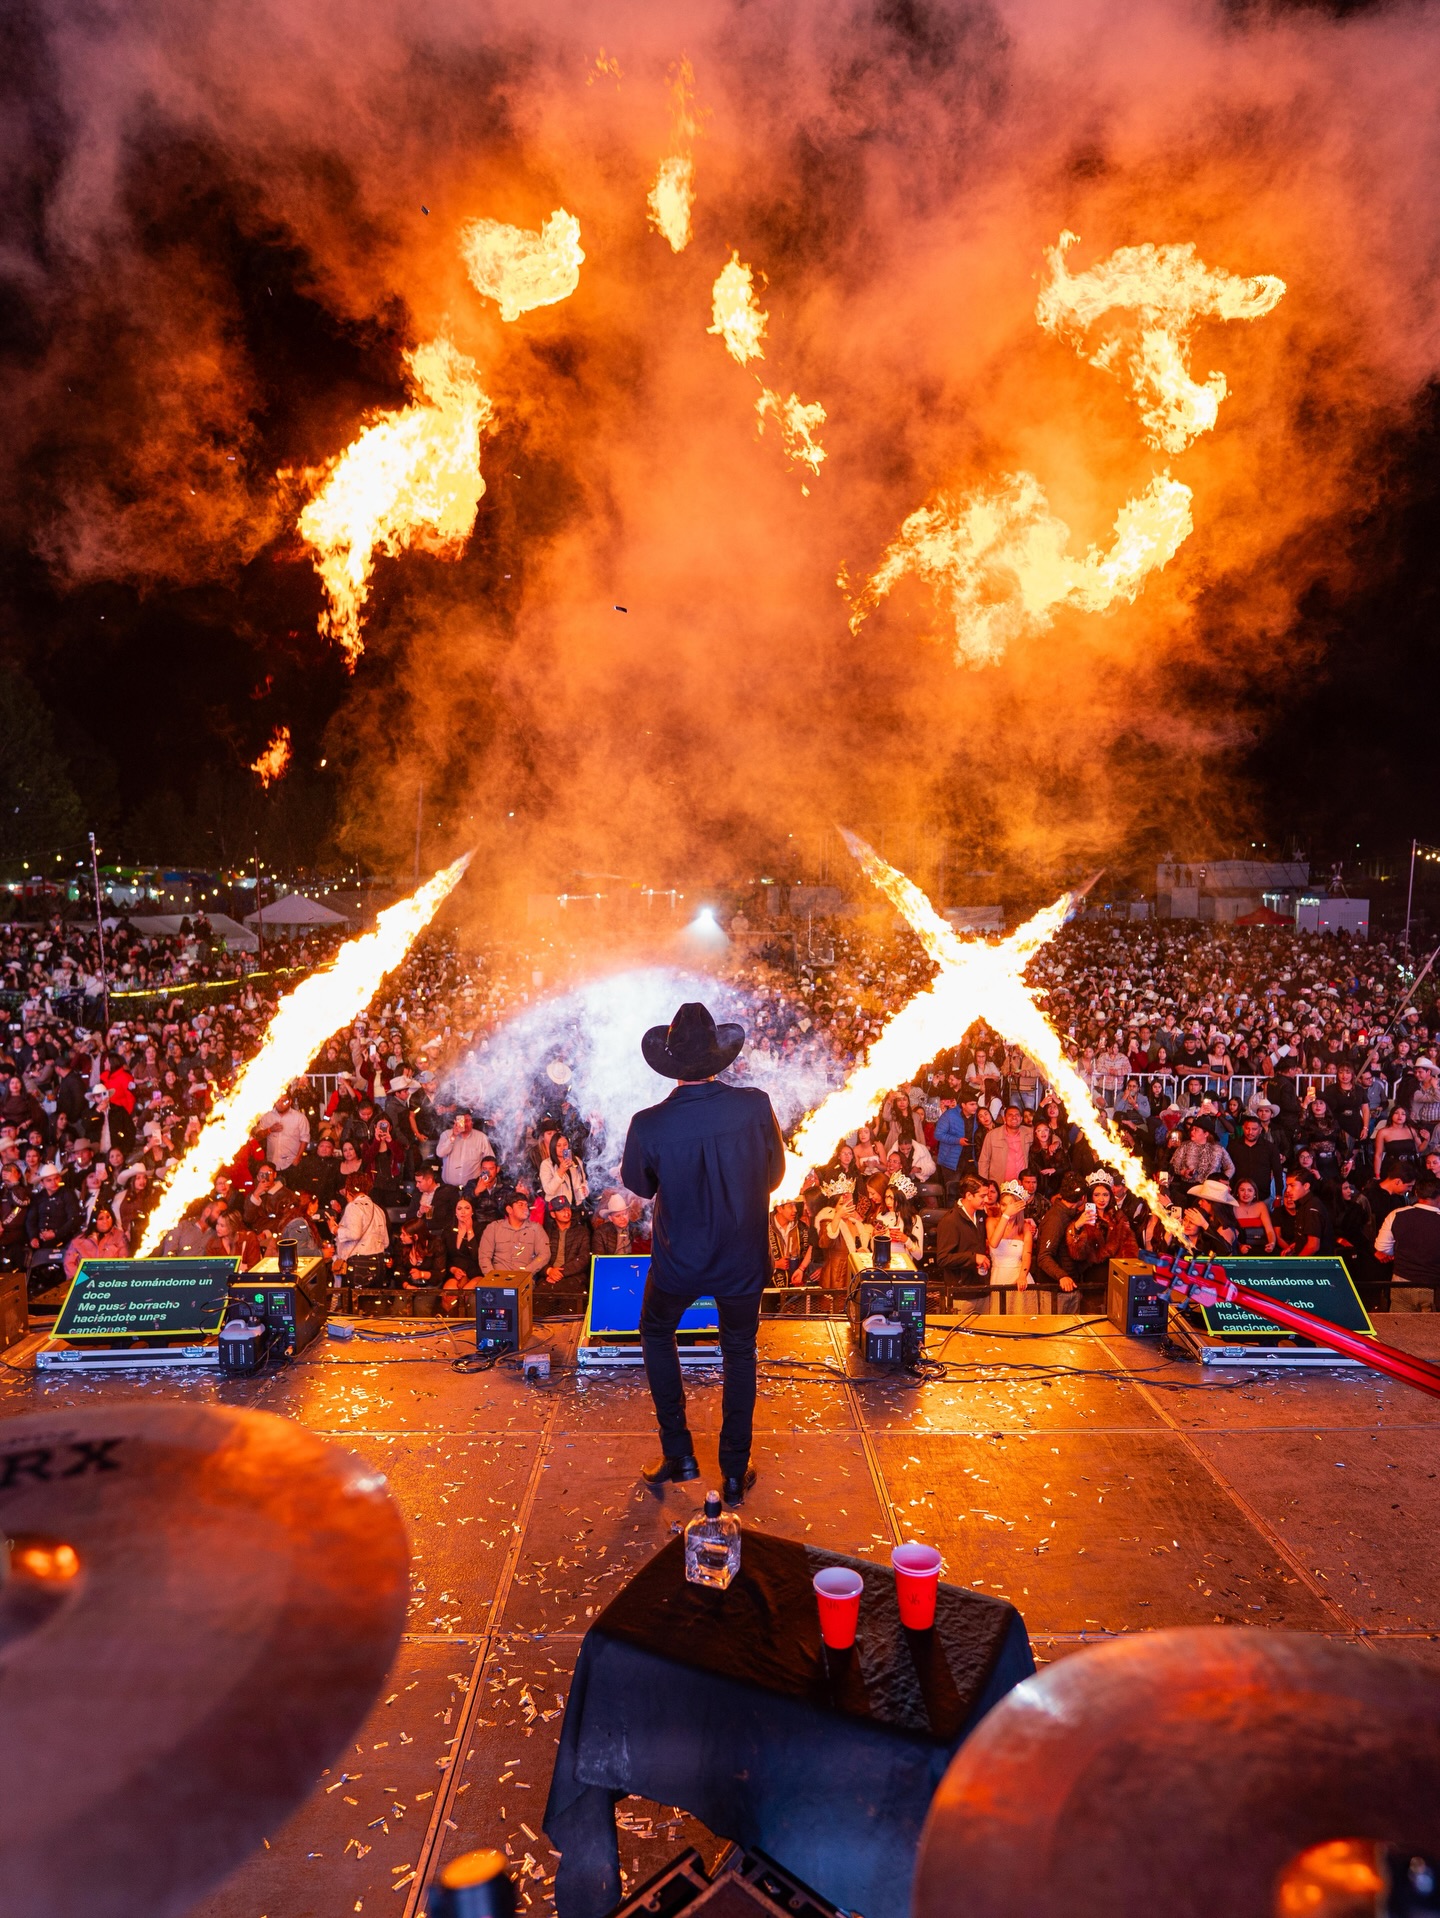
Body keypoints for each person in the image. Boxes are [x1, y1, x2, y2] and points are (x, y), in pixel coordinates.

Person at [620, 1002, 785, 1505]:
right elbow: (775, 1175)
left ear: (671, 1063)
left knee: (655, 1331)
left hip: (680, 1261)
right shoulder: (755, 1105)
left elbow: (639, 1185)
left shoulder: (648, 1123)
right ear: (719, 1057)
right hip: (741, 1259)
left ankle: (680, 1454)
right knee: (739, 1351)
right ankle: (734, 1473)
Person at [1063, 1173, 1138, 1308]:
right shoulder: (1082, 1217)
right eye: (1097, 1195)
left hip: (1116, 1275)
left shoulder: (1119, 1217)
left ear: (1111, 1196)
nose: (1101, 1199)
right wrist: (1077, 1227)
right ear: (1091, 1196)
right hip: (1092, 1277)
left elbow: (1130, 1250)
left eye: (1105, 1194)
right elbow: (1077, 1254)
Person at [1374, 1172, 1440, 1312]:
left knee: (1400, 1330)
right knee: (1430, 1332)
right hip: (1432, 1287)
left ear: (1417, 1193)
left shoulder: (1397, 1214)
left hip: (1400, 1283)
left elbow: (1382, 1248)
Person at [932, 1175, 993, 1303]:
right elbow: (943, 1259)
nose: (987, 1200)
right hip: (961, 1295)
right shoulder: (950, 1221)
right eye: (982, 1196)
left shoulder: (981, 1215)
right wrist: (973, 1257)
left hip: (982, 1289)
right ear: (969, 1195)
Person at [985, 1179, 1037, 1313]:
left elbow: (1027, 1255)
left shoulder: (1025, 1227)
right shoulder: (991, 1222)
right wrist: (1006, 1215)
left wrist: (1022, 1276)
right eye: (1004, 1205)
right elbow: (994, 1243)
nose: (1007, 1208)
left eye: (1012, 1205)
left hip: (1019, 1278)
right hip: (999, 1276)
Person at [1035, 1172, 1086, 1306]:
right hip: (1055, 1290)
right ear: (1082, 1197)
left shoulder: (1070, 1215)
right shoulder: (1056, 1219)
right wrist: (1062, 1276)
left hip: (1068, 1287)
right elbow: (1044, 1256)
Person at [477, 1188, 550, 1278]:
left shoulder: (536, 1229)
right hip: (498, 1279)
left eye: (526, 1205)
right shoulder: (494, 1228)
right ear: (509, 1209)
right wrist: (493, 1278)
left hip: (524, 1279)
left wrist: (526, 1273)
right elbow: (484, 1257)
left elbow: (544, 1255)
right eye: (520, 1205)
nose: (525, 1208)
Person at [541, 1195, 592, 1312]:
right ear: (553, 1214)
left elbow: (584, 1258)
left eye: (568, 1208)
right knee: (541, 1301)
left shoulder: (582, 1231)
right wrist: (548, 1271)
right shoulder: (546, 1232)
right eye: (561, 1210)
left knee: (570, 1303)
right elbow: (538, 1256)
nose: (566, 1212)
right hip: (549, 1276)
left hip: (573, 1276)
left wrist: (560, 1273)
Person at [63, 1202, 128, 1281]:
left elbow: (124, 1262)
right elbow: (69, 1264)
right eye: (101, 1218)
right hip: (83, 1283)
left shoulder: (119, 1236)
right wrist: (81, 1280)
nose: (105, 1221)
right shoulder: (79, 1240)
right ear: (93, 1221)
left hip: (110, 1281)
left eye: (108, 1217)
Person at [257, 1090, 310, 1175]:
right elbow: (258, 1136)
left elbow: (305, 1139)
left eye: (284, 1101)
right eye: (278, 1101)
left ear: (290, 1102)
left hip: (291, 1163)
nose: (280, 1104)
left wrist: (297, 1158)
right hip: (272, 1163)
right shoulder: (267, 1116)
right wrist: (270, 1130)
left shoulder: (300, 1118)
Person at [437, 1110, 492, 1190]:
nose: (465, 1124)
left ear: (472, 1122)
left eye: (468, 1121)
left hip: (472, 1188)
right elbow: (440, 1153)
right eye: (462, 1121)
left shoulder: (481, 1137)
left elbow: (489, 1161)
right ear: (455, 1121)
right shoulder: (446, 1135)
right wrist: (453, 1136)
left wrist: (483, 1181)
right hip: (449, 1188)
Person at [978, 1103, 1030, 1186]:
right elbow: (984, 1161)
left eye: (1017, 1115)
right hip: (999, 1184)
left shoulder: (1028, 1132)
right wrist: (984, 1184)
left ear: (1021, 1119)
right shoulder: (992, 1135)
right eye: (1010, 1115)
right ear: (1004, 1118)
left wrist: (1056, 1143)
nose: (1014, 1117)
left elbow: (1048, 1134)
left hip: (1022, 1186)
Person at [539, 1132, 589, 1211]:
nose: (562, 1148)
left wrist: (585, 1188)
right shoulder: (546, 1164)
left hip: (577, 1205)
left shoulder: (576, 1160)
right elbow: (549, 1190)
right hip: (558, 1208)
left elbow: (584, 1180)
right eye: (558, 1145)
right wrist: (560, 1172)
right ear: (553, 1147)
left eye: (565, 1144)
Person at [1232, 1178, 1278, 1254]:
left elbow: (1269, 1230)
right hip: (1240, 1247)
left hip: (1260, 1245)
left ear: (1255, 1194)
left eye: (1250, 1190)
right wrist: (1240, 1246)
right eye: (1242, 1190)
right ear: (1237, 1192)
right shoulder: (1232, 1207)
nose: (1246, 1193)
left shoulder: (1261, 1206)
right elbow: (1230, 1233)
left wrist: (1272, 1244)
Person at [591, 1190, 637, 1257]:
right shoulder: (601, 1232)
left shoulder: (636, 1229)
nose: (622, 1218)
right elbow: (599, 1258)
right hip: (611, 1265)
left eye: (624, 1214)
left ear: (628, 1213)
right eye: (617, 1216)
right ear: (610, 1218)